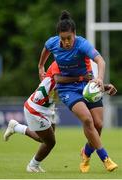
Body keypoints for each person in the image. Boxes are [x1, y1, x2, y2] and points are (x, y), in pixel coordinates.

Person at [38, 10, 118, 173]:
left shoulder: (82, 44)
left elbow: (100, 60)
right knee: (88, 121)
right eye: (63, 39)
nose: (66, 42)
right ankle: (106, 158)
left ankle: (86, 152)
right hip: (68, 89)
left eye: (69, 38)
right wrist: (41, 67)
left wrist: (101, 79)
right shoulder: (52, 43)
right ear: (58, 37)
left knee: (98, 125)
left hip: (88, 86)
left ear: (74, 34)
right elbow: (44, 56)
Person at [3, 61, 117, 173]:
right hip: (36, 109)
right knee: (49, 142)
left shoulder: (65, 70)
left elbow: (81, 86)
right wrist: (82, 78)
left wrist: (104, 86)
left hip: (49, 108)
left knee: (45, 138)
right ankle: (32, 165)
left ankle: (16, 127)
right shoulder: (61, 73)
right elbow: (74, 85)